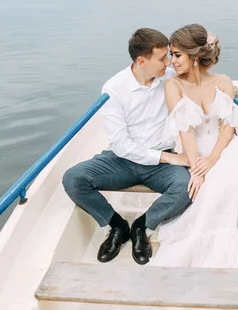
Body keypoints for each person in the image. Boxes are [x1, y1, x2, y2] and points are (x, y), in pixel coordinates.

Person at [150, 24, 238, 268]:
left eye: (177, 55)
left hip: (225, 145)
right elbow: (185, 132)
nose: (171, 62)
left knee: (236, 165)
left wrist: (213, 158)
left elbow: (228, 126)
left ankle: (236, 239)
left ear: (194, 57)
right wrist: (197, 168)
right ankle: (217, 240)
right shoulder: (174, 86)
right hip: (195, 150)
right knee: (209, 185)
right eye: (171, 55)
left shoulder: (223, 82)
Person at [62, 28, 192, 265]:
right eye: (162, 58)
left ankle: (142, 226)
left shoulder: (170, 78)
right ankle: (117, 225)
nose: (169, 62)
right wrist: (168, 157)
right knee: (73, 179)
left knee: (186, 187)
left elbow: (202, 78)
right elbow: (121, 145)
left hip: (159, 164)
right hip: (121, 160)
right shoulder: (114, 88)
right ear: (142, 61)